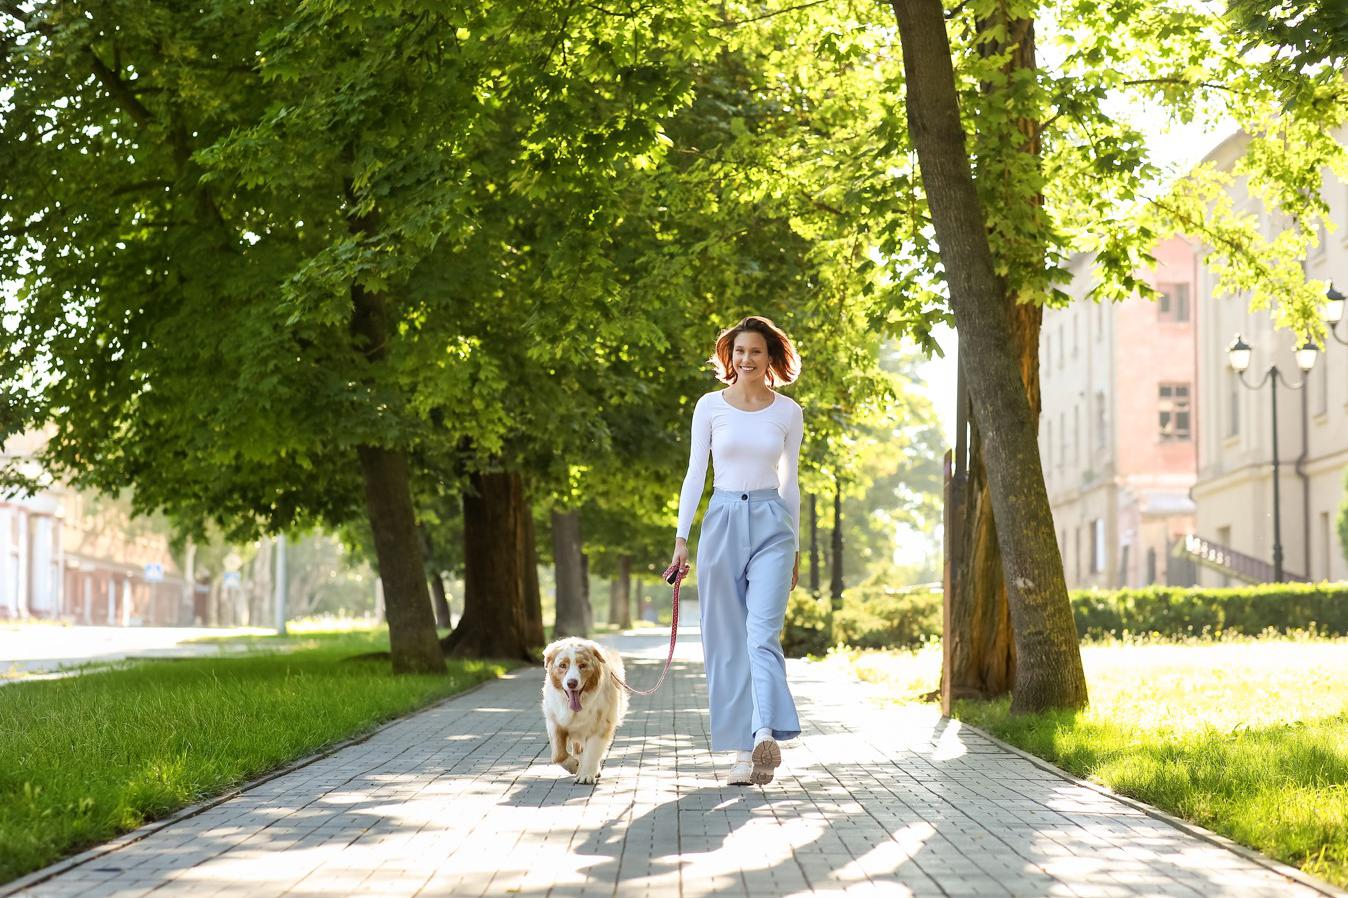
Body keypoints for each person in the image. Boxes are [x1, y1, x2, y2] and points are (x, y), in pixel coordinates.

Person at [671, 315, 803, 786]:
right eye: (739, 352)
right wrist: (682, 539)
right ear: (730, 357)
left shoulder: (787, 412)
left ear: (771, 360)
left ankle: (764, 730)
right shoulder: (710, 406)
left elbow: (790, 483)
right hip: (722, 521)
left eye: (756, 352)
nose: (746, 359)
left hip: (772, 525)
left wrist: (797, 547)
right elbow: (694, 475)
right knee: (726, 642)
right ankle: (742, 754)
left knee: (761, 635)